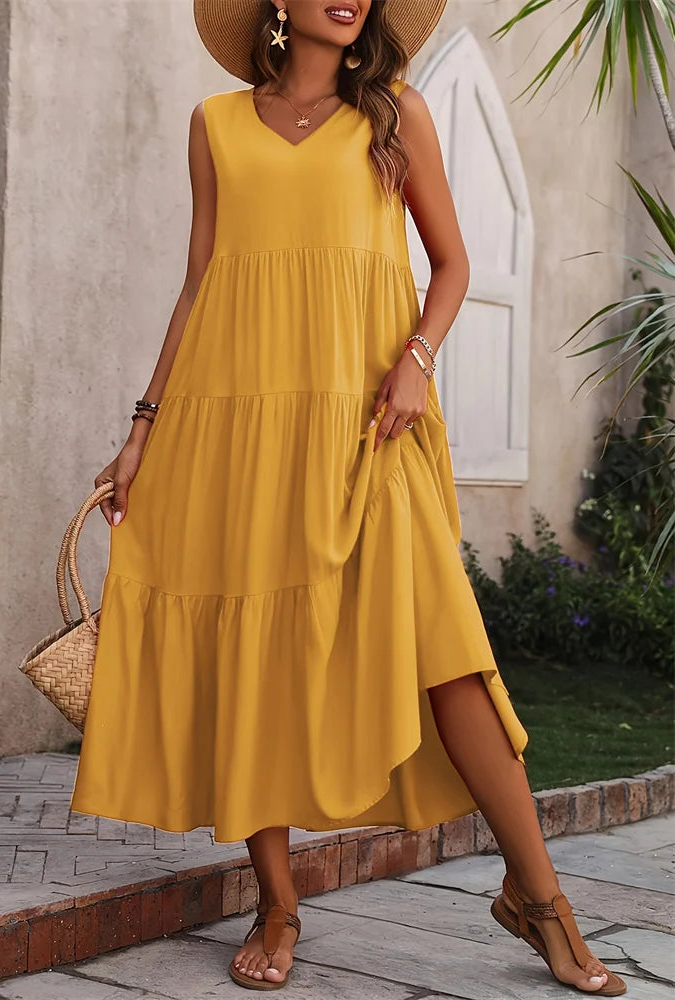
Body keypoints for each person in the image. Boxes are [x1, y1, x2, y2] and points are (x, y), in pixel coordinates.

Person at [69, 0, 627, 994]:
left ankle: (538, 895)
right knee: (256, 652)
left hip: (373, 424)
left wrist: (415, 360)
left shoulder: (394, 114)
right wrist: (146, 423)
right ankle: (276, 900)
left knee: (450, 653)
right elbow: (201, 281)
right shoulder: (216, 125)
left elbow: (451, 265)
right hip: (233, 425)